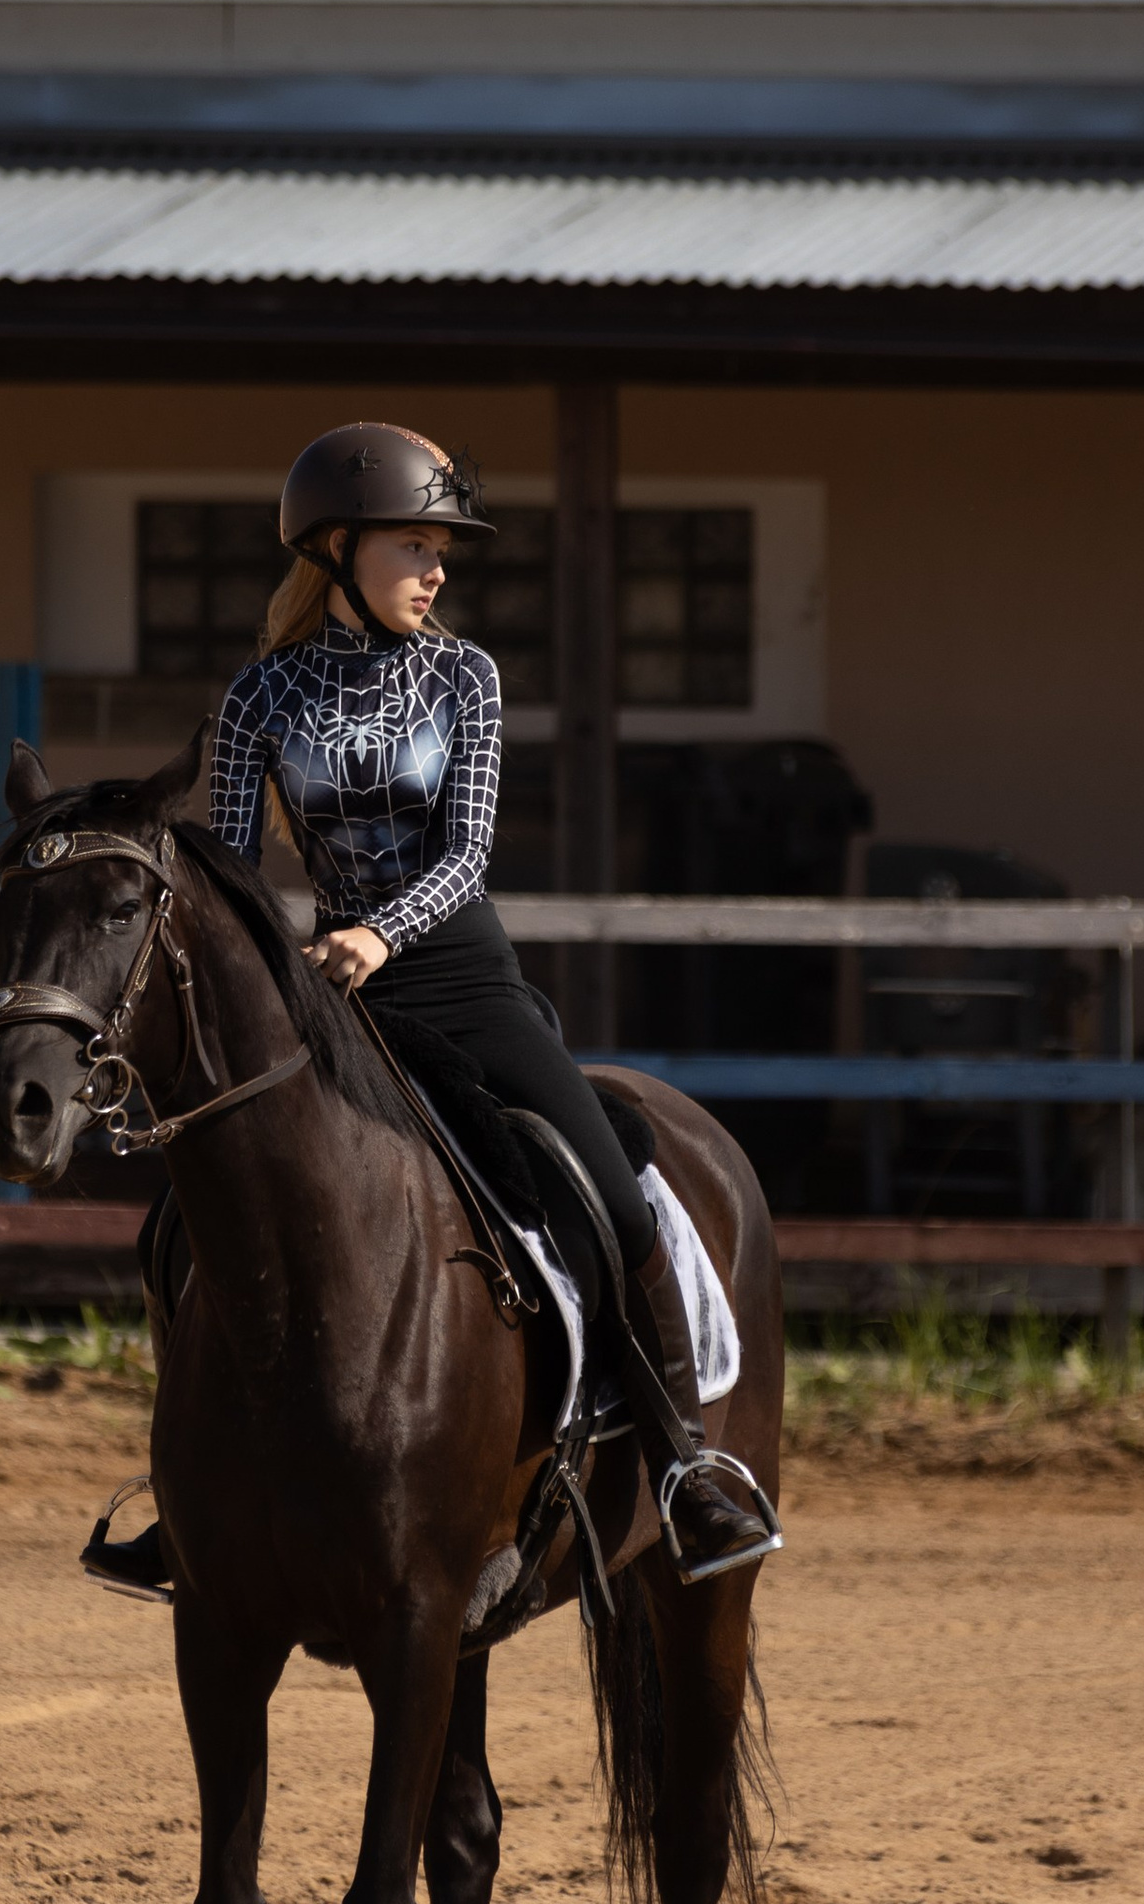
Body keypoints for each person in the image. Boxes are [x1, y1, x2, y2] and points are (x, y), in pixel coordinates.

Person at [81, 421, 765, 1596]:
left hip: (458, 975)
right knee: (181, 1225)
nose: (437, 568)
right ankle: (191, 1498)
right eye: (414, 544)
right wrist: (282, 964)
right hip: (331, 997)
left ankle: (680, 1464)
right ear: (338, 548)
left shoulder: (465, 676)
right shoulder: (259, 697)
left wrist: (375, 931)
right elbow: (237, 870)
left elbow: (470, 853)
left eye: (442, 548)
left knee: (609, 1186)